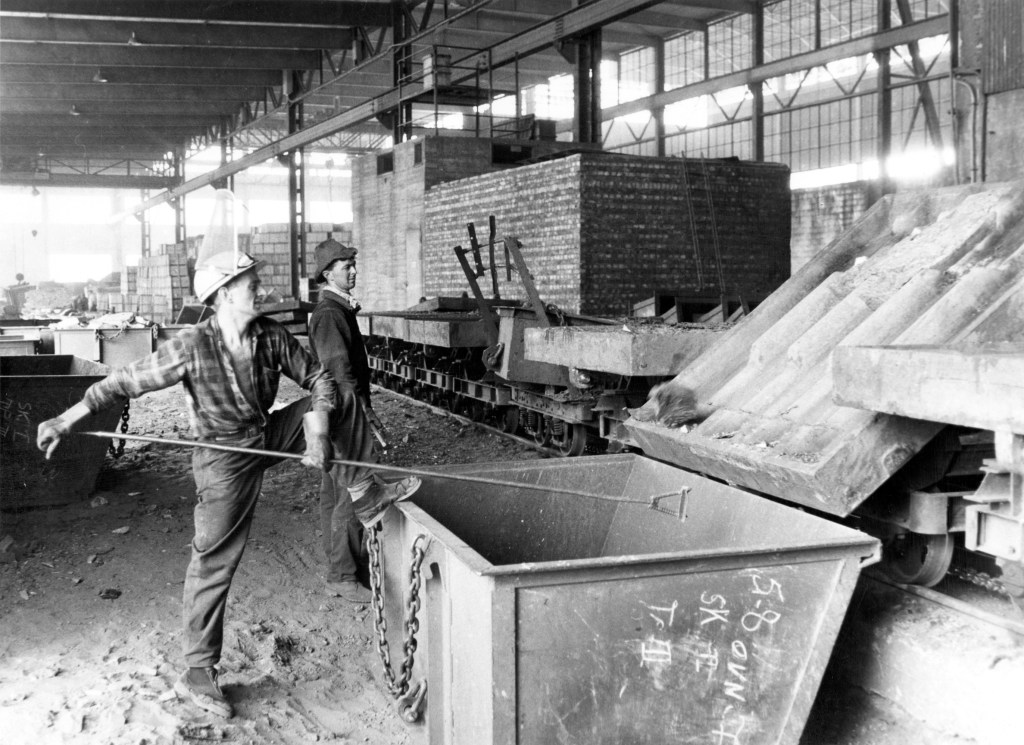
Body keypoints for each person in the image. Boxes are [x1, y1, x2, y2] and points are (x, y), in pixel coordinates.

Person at [36, 250, 420, 719]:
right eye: (249, 283)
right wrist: (65, 419)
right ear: (221, 295)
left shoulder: (270, 335)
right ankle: (198, 672)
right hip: (222, 458)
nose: (260, 289)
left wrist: (318, 431)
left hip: (266, 434)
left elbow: (320, 379)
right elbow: (120, 383)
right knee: (214, 559)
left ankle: (364, 493)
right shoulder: (192, 345)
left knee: (343, 397)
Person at [308, 237, 378, 602]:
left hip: (336, 410)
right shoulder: (331, 314)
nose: (353, 271)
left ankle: (342, 567)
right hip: (344, 412)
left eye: (353, 265)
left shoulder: (338, 309)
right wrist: (362, 411)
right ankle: (343, 575)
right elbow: (337, 370)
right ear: (327, 273)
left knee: (335, 492)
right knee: (354, 492)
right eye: (345, 266)